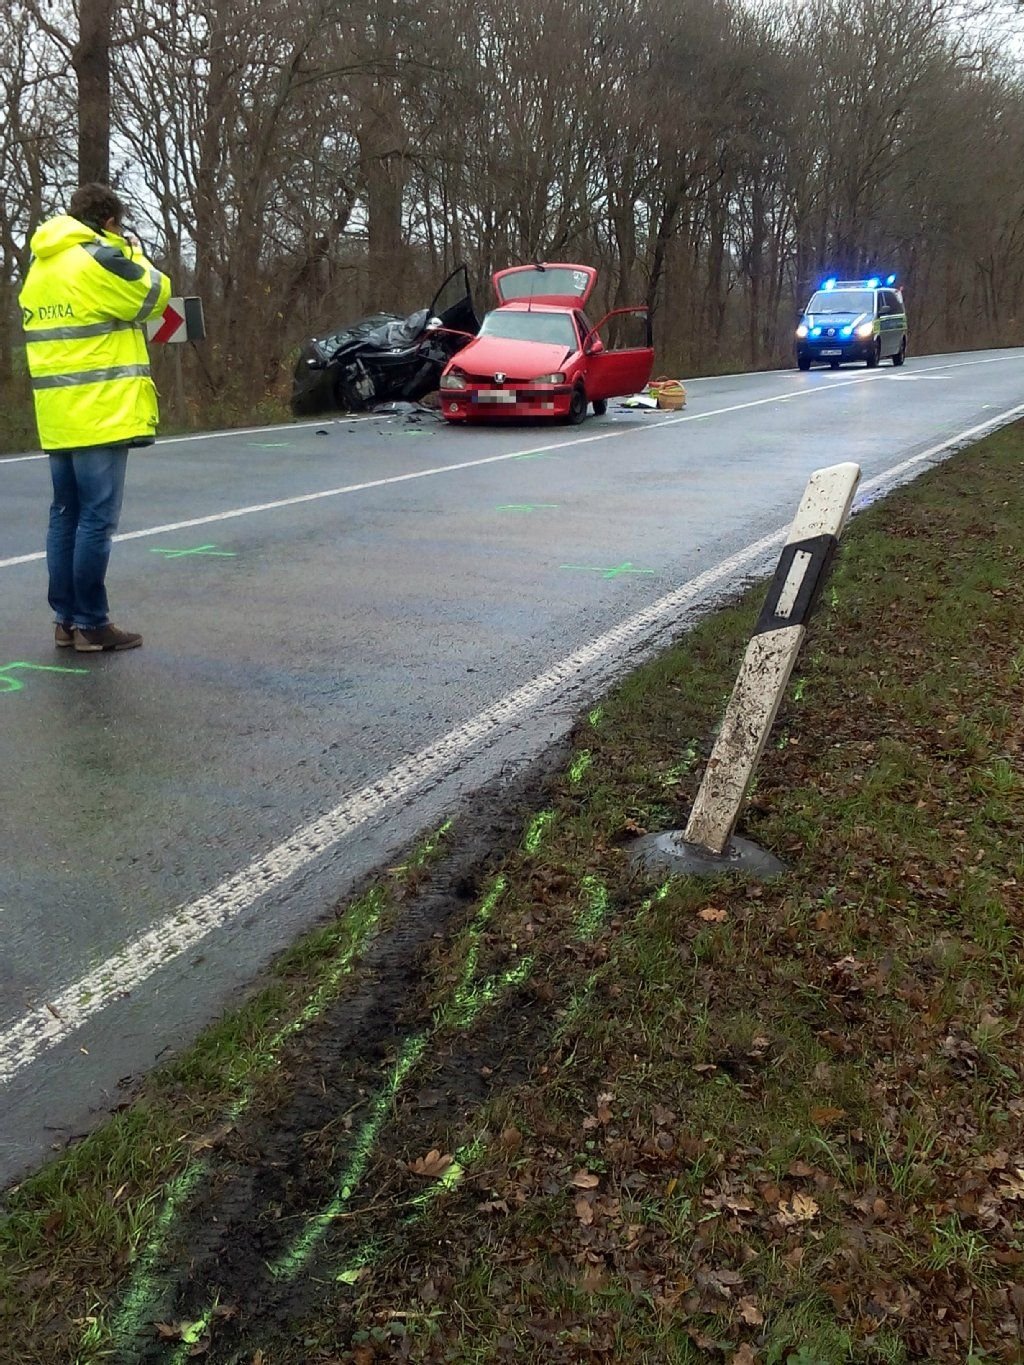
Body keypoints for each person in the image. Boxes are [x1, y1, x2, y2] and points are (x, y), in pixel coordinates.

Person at [19, 183, 171, 651]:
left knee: (64, 514)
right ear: (108, 222)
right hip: (100, 411)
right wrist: (131, 249)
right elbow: (154, 295)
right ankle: (91, 621)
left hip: (58, 412)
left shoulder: (40, 267)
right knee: (96, 519)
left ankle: (65, 620)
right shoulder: (97, 258)